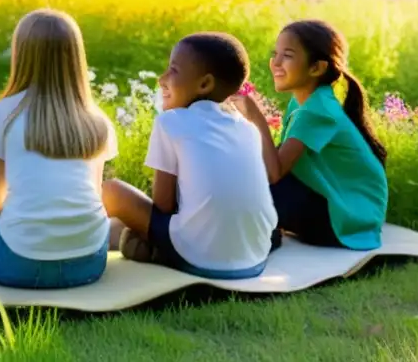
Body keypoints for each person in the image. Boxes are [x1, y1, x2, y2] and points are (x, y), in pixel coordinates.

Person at [0, 9, 117, 289]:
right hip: (88, 265)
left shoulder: (5, 113)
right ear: (76, 58)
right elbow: (95, 195)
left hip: (18, 266)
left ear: (21, 55)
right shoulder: (97, 120)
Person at [102, 32, 278, 279]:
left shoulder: (170, 122)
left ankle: (145, 249)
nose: (162, 79)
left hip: (200, 258)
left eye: (173, 71)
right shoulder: (246, 129)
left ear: (204, 84)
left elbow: (163, 205)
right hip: (255, 256)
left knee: (111, 191)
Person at [238, 19, 388, 250]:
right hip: (340, 206)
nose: (275, 62)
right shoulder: (305, 101)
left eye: (287, 55)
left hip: (346, 221)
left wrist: (256, 118)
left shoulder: (316, 110)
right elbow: (276, 160)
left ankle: (265, 237)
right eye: (275, 53)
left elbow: (273, 173)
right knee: (246, 180)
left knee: (257, 188)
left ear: (316, 68)